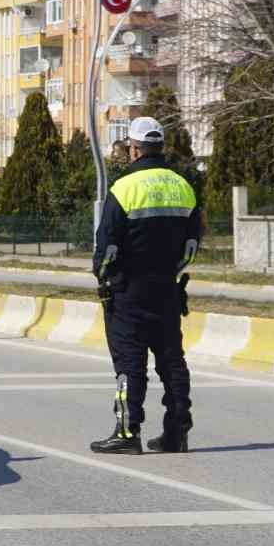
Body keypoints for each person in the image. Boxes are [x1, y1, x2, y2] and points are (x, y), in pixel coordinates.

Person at [90, 116, 201, 455]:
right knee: (172, 362)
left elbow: (107, 246)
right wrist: (170, 271)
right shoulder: (183, 185)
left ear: (135, 148)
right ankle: (176, 433)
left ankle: (127, 433)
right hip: (167, 288)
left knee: (129, 363)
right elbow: (192, 245)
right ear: (161, 147)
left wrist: (104, 276)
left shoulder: (124, 187)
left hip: (129, 289)